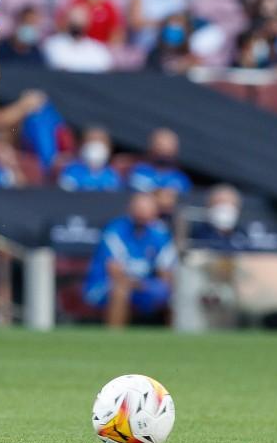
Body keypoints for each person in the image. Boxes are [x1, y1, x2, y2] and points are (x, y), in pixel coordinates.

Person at [82, 192, 175, 328]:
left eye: (147, 210)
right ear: (130, 209)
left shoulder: (160, 233)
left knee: (173, 294)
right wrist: (141, 285)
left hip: (144, 285)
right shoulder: (115, 230)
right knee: (120, 290)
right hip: (104, 285)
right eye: (139, 209)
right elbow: (115, 273)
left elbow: (165, 272)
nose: (142, 214)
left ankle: (172, 338)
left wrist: (161, 286)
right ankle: (115, 337)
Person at [58, 127, 122, 192]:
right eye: (91, 141)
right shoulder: (73, 171)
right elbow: (66, 189)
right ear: (81, 145)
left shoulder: (111, 174)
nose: (95, 148)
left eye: (100, 142)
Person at [129, 128, 191, 193]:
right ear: (152, 147)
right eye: (160, 146)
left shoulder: (181, 180)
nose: (164, 152)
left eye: (168, 148)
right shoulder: (137, 170)